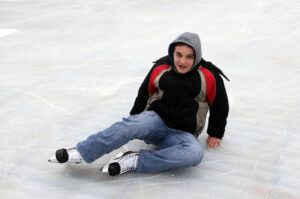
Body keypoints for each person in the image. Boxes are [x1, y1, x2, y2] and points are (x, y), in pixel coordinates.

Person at [48, 32, 229, 176]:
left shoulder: (209, 76)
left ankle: (134, 160)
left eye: (189, 57)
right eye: (178, 55)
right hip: (154, 121)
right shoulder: (161, 67)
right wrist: (134, 122)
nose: (182, 61)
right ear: (172, 52)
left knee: (195, 154)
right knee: (134, 123)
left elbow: (220, 105)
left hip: (181, 134)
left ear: (196, 56)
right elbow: (144, 93)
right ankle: (82, 151)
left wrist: (216, 133)